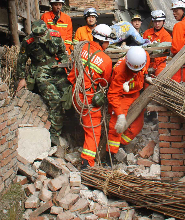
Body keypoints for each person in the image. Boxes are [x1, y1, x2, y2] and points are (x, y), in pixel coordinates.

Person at [16, 20, 71, 145]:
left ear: (46, 31)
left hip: (56, 68)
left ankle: (69, 127)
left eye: (42, 35)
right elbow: (21, 61)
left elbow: (62, 53)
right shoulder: (28, 42)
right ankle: (54, 134)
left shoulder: (55, 36)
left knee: (68, 93)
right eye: (37, 36)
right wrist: (22, 78)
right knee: (55, 99)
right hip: (39, 71)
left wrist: (63, 65)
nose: (40, 38)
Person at [67, 24, 113, 168]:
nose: (109, 44)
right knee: (94, 131)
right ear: (102, 41)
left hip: (76, 93)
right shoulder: (106, 60)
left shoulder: (80, 49)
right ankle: (87, 162)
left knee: (87, 126)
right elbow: (104, 82)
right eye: (108, 41)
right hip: (88, 98)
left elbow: (73, 73)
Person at [106, 46, 150, 157]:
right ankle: (110, 154)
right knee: (116, 127)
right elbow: (113, 94)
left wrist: (146, 76)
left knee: (138, 124)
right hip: (122, 97)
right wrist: (120, 114)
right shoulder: (120, 70)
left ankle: (122, 144)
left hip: (135, 94)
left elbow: (144, 69)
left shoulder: (144, 56)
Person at [143, 10, 172, 76]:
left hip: (160, 64)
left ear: (163, 22)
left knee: (159, 81)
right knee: (145, 82)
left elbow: (165, 54)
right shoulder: (147, 33)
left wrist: (154, 66)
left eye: (159, 21)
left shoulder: (166, 35)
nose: (157, 24)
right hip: (147, 62)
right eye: (155, 21)